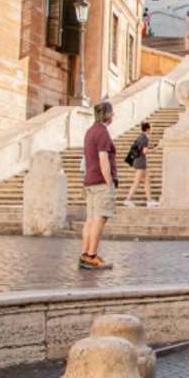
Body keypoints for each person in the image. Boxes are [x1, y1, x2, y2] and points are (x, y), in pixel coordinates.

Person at [80, 101, 118, 270]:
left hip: (90, 181)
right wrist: (109, 182)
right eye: (113, 113)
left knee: (90, 220)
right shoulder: (102, 133)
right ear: (108, 115)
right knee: (99, 219)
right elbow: (103, 159)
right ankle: (92, 256)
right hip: (101, 181)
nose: (114, 116)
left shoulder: (90, 132)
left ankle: (85, 254)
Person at [122, 121, 156, 208]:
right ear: (147, 129)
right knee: (136, 182)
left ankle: (149, 200)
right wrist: (156, 149)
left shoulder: (140, 137)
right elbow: (145, 151)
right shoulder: (145, 138)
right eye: (151, 127)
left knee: (146, 180)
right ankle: (128, 199)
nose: (153, 129)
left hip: (138, 161)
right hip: (141, 162)